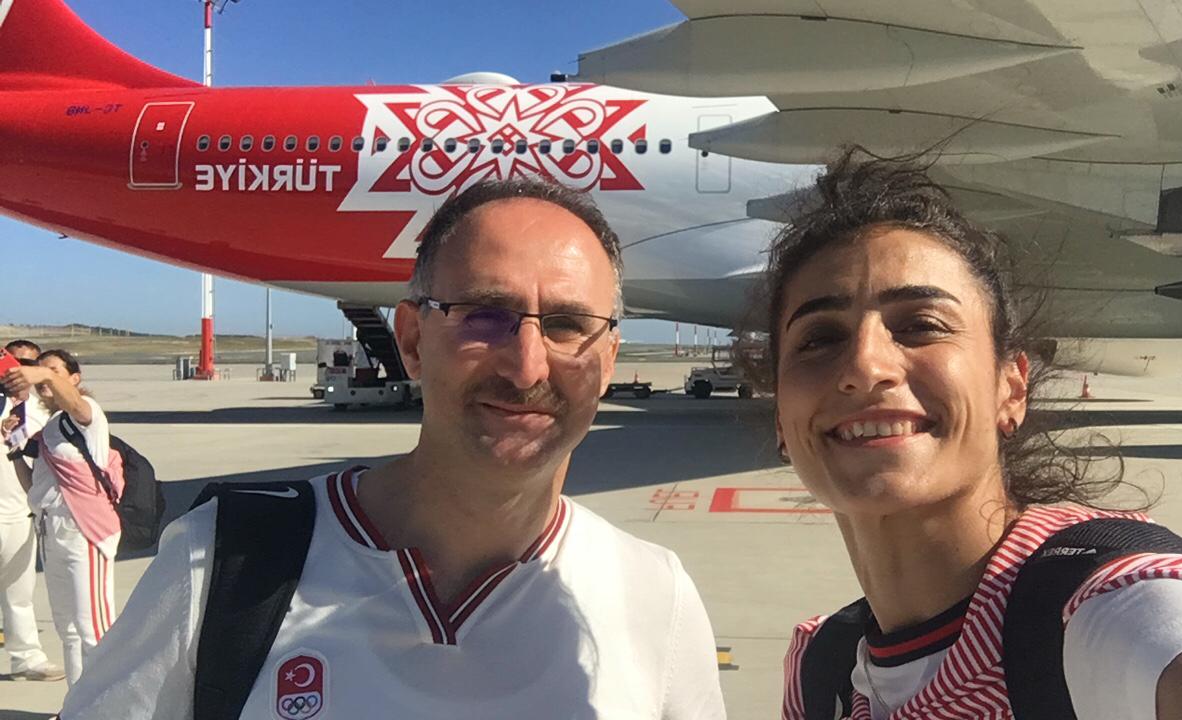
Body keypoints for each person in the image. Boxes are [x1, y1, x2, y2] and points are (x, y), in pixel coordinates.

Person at [58, 177, 726, 719]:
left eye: (567, 325)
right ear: (411, 340)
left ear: (607, 360)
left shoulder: (653, 594)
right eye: (484, 316)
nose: (527, 366)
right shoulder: (224, 561)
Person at [761, 151, 1182, 720]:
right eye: (818, 339)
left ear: (1010, 389)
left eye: (922, 326)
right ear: (781, 420)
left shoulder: (1129, 623)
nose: (865, 366)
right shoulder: (824, 673)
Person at [2, 349, 121, 689]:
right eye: (41, 371)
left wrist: (43, 374)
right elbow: (35, 488)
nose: (44, 376)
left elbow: (77, 404)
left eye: (54, 370)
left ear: (74, 378)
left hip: (84, 530)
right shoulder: (50, 428)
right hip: (51, 529)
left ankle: (106, 705)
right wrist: (14, 449)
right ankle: (77, 703)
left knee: (94, 629)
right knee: (68, 629)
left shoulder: (86, 413)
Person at [0, 340, 64, 681]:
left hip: (21, 512)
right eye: (16, 362)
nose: (21, 370)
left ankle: (27, 659)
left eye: (30, 364)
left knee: (20, 593)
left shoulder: (42, 409)